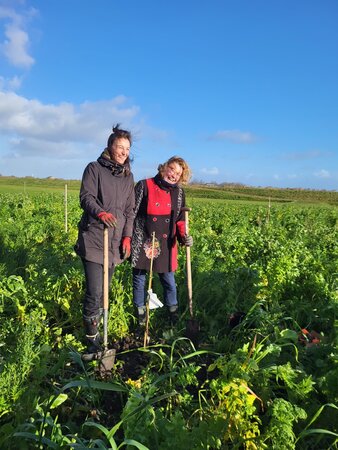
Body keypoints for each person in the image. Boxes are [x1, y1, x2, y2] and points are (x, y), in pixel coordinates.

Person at [74, 124, 135, 353]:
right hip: (94, 239)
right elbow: (86, 197)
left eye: (127, 149)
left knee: (104, 291)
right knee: (95, 292)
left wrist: (127, 237)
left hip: (114, 242)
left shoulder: (128, 177)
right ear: (110, 146)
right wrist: (100, 212)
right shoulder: (94, 169)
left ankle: (99, 333)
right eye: (119, 147)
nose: (123, 152)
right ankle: (92, 340)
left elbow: (129, 211)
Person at [131, 156, 193, 327]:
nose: (173, 174)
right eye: (172, 169)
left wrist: (184, 237)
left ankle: (173, 317)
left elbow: (180, 220)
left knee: (169, 281)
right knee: (139, 280)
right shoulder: (145, 185)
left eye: (178, 173)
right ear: (164, 167)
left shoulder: (179, 193)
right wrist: (127, 238)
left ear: (181, 177)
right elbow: (131, 213)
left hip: (166, 244)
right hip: (143, 238)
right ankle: (141, 318)